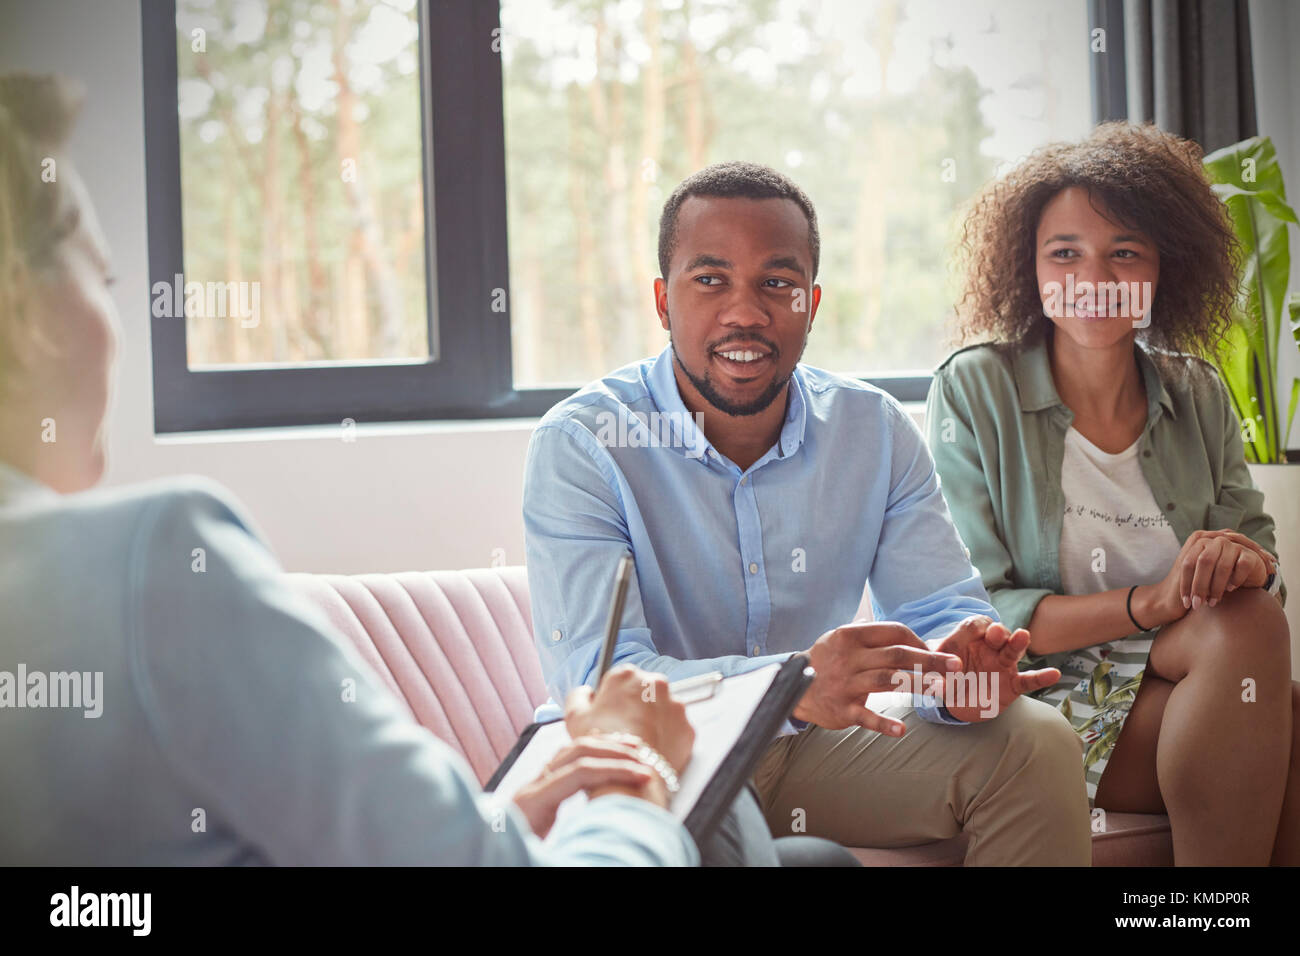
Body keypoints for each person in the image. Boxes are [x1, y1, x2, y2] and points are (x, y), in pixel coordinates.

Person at [0, 72, 699, 866]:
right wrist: (636, 787)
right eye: (103, 277)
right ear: (26, 308)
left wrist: (487, 824)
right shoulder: (152, 562)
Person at [523, 160, 1093, 865]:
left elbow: (940, 609)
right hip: (656, 766)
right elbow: (603, 681)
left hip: (808, 751)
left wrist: (959, 676)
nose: (746, 312)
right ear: (663, 303)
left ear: (811, 304)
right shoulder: (583, 443)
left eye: (777, 284)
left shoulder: (873, 430)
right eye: (710, 280)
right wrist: (788, 689)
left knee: (1035, 743)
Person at [928, 122, 1299, 865]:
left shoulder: (1197, 391)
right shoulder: (975, 389)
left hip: (1190, 663)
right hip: (1043, 689)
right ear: (1029, 269)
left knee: (1253, 629)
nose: (1092, 280)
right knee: (1284, 712)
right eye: (1065, 253)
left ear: (1165, 267)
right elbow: (980, 606)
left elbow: (1261, 562)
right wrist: (1148, 604)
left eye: (1123, 252)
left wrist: (1243, 562)